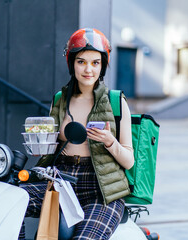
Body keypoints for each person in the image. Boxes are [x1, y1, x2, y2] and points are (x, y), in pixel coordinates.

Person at [19, 28, 134, 239]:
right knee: (10, 202)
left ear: (103, 65)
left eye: (95, 62)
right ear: (72, 63)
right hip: (60, 181)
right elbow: (50, 142)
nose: (88, 69)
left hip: (101, 191)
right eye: (81, 61)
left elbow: (128, 161)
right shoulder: (59, 99)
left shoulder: (117, 101)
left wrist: (110, 142)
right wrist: (41, 145)